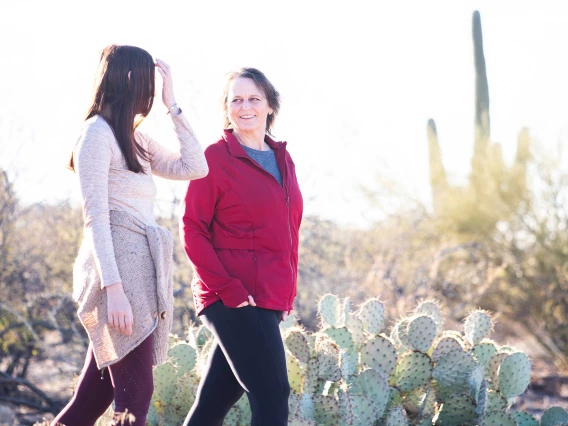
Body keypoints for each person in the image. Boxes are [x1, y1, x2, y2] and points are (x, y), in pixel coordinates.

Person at [50, 44, 208, 426]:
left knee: (92, 399)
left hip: (139, 270)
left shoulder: (135, 139)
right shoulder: (95, 135)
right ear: (129, 80)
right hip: (116, 274)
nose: (152, 94)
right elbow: (96, 218)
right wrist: (113, 289)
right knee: (135, 396)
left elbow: (195, 166)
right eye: (150, 85)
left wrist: (174, 105)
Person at [180, 67, 303, 426]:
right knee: (272, 394)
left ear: (269, 106)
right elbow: (192, 229)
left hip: (266, 296)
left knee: (213, 402)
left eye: (253, 99)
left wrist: (284, 295)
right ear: (226, 108)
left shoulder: (283, 159)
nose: (244, 106)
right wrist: (227, 288)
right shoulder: (216, 158)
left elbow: (287, 234)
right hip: (231, 295)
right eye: (236, 99)